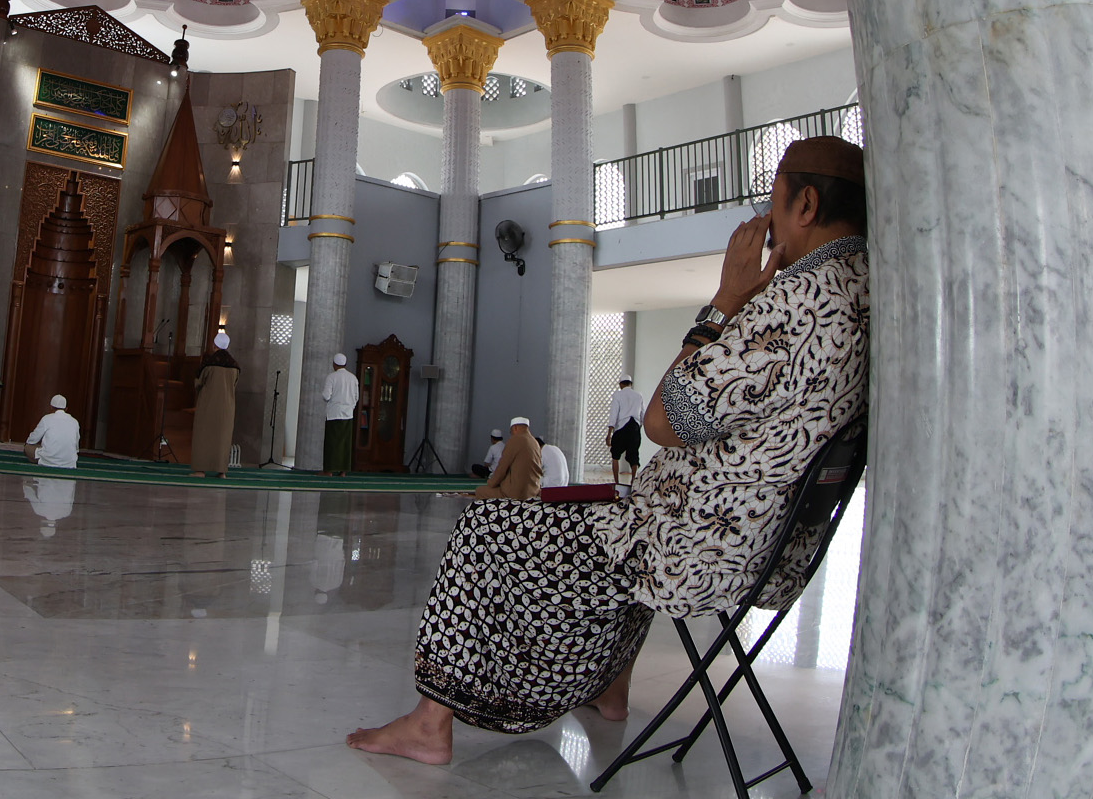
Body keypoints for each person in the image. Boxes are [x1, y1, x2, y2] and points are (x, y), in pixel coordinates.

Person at [348, 136, 870, 764]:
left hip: (701, 548)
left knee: (487, 526)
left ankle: (431, 722)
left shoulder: (796, 303)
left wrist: (726, 300)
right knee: (628, 503)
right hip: (769, 548)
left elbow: (663, 419)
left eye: (775, 199)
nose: (768, 217)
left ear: (806, 204)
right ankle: (610, 689)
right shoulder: (862, 290)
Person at [192, 333, 240, 476]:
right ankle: (221, 472)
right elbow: (234, 385)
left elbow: (198, 382)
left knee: (203, 436)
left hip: (208, 406)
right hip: (227, 408)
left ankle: (200, 470)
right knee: (223, 439)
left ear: (214, 345)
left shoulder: (209, 364)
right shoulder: (235, 366)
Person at [473, 418, 542, 500]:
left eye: (511, 431)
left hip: (515, 493)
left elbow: (502, 468)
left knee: (480, 491)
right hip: (533, 491)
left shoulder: (515, 440)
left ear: (515, 428)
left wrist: (491, 483)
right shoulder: (534, 442)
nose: (511, 434)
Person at [322, 351, 359, 475]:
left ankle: (329, 471)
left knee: (332, 443)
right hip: (348, 415)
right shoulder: (353, 378)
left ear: (334, 364)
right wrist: (350, 407)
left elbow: (326, 396)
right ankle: (343, 471)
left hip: (334, 415)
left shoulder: (332, 377)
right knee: (345, 444)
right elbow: (356, 397)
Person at [606, 377, 648, 481]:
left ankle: (617, 482)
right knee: (634, 456)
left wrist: (609, 434)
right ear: (631, 384)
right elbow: (643, 414)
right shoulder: (639, 396)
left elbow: (614, 414)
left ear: (620, 384)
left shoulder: (618, 395)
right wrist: (639, 427)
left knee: (615, 455)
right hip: (634, 428)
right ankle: (633, 481)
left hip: (621, 428)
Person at [26, 394, 82, 469]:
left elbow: (32, 440)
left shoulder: (46, 419)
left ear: (51, 407)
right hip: (69, 463)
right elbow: (76, 447)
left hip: (48, 461)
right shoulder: (74, 421)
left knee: (27, 447)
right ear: (66, 409)